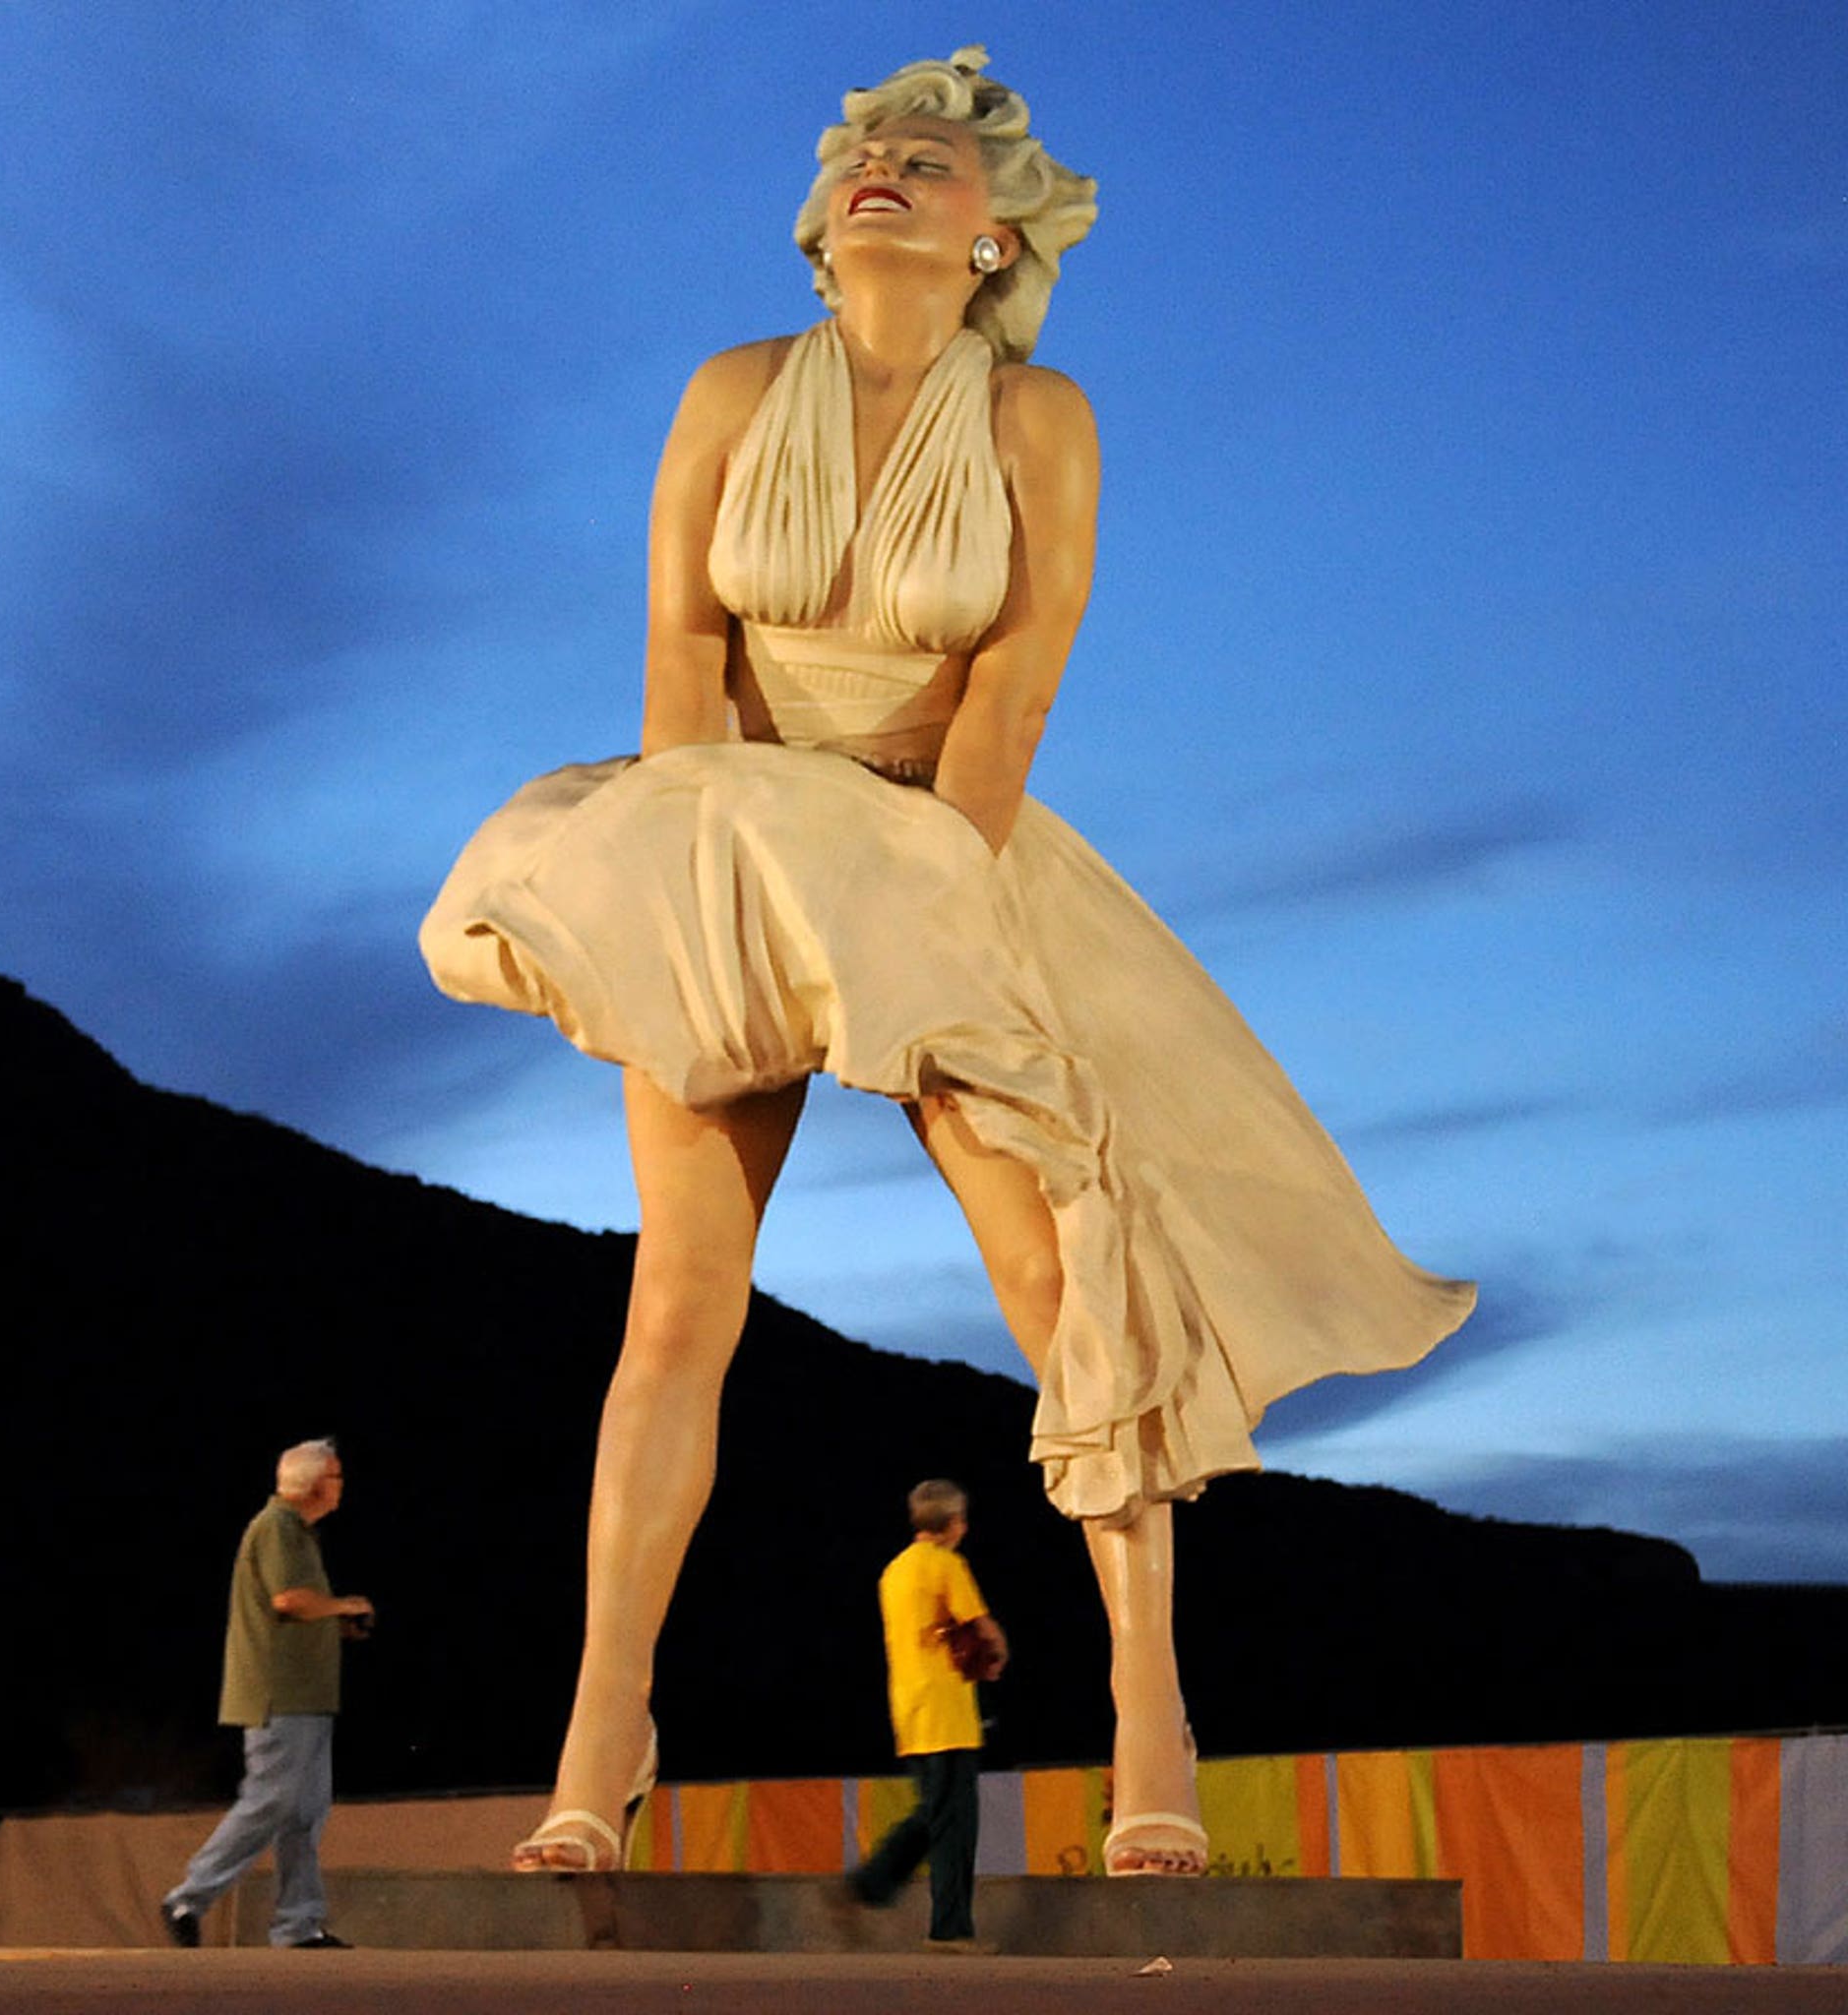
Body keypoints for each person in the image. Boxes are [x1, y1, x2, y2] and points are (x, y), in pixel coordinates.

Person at [420, 46, 1473, 1877]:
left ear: (994, 238)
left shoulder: (1037, 416)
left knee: (1065, 1282)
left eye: (931, 159)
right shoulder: (737, 385)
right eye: (864, 158)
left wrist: (924, 900)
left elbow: (1014, 682)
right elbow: (680, 646)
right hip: (729, 830)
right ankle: (605, 1728)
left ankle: (1151, 1710)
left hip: (939, 840)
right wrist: (694, 870)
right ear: (824, 222)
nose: (886, 170)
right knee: (677, 1293)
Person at [161, 1438, 373, 1948]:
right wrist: (343, 1606)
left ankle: (298, 1924)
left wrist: (336, 1625)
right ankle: (189, 1896)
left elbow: (296, 1608)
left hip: (309, 1697)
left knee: (302, 1813)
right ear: (314, 1482)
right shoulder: (277, 1527)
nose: (341, 1485)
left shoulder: (299, 1532)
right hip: (281, 1696)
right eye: (337, 1476)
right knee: (271, 1800)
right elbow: (290, 1599)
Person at [850, 1480, 1007, 1945]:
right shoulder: (946, 1565)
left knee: (935, 1815)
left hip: (910, 1709)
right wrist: (997, 1652)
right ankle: (941, 1924)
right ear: (954, 1523)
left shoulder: (893, 1571)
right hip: (949, 1713)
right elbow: (985, 1632)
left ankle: (879, 1881)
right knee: (953, 1829)